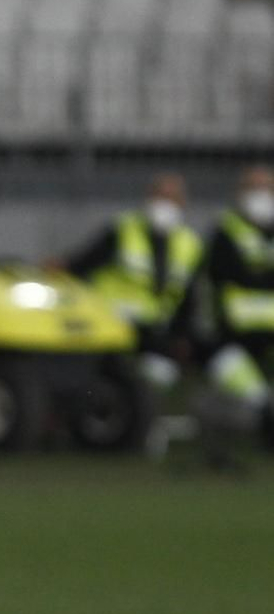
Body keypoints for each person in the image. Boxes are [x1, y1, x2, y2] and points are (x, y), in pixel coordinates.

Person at [58, 172, 202, 391]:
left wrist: (182, 336)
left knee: (159, 376)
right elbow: (81, 264)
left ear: (183, 203)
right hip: (110, 328)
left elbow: (188, 297)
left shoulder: (189, 244)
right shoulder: (123, 230)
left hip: (152, 334)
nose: (164, 204)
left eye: (171, 198)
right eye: (159, 196)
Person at [197, 164, 274, 442]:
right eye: (254, 188)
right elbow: (226, 274)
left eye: (267, 188)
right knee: (253, 397)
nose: (262, 195)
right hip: (233, 336)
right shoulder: (225, 232)